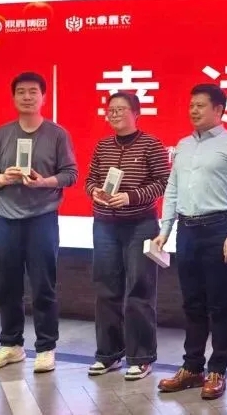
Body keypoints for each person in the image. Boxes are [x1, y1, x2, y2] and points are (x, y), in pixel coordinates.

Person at [152, 83, 227, 400]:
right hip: (187, 230)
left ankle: (217, 370)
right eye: (191, 105)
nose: (193, 110)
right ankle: (192, 367)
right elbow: (172, 189)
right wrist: (165, 229)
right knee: (192, 302)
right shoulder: (182, 145)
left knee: (219, 304)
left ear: (218, 109)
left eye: (200, 105)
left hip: (218, 229)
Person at [0, 71, 78, 373]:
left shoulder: (57, 134)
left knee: (43, 285)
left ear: (43, 97)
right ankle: (11, 344)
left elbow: (70, 174)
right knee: (7, 285)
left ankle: (46, 347)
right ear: (13, 97)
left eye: (33, 91)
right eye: (21, 91)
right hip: (6, 218)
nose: (27, 97)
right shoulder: (1, 134)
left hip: (42, 218)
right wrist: (1, 178)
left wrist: (44, 182)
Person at [84, 91, 171, 380]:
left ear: (136, 113)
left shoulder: (151, 144)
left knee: (139, 289)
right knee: (105, 289)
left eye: (121, 109)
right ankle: (108, 354)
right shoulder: (102, 145)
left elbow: (164, 182)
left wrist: (131, 197)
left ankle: (141, 357)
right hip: (105, 225)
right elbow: (90, 179)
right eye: (111, 110)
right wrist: (95, 192)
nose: (115, 114)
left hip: (140, 225)